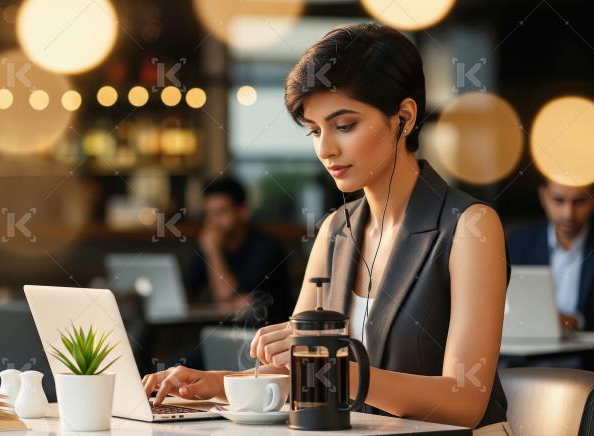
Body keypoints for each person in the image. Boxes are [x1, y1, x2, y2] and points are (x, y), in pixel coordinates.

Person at [143, 23, 512, 435]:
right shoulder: (336, 230)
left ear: (404, 118)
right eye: (315, 131)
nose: (325, 149)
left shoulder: (470, 226)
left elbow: (465, 401)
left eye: (345, 125)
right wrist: (214, 384)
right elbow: (297, 376)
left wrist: (338, 371)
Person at [183, 175, 294, 326]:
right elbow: (185, 292)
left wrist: (213, 251)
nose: (213, 223)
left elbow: (228, 296)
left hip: (264, 337)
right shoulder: (212, 244)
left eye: (221, 212)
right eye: (209, 214)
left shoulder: (266, 248)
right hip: (223, 334)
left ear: (243, 212)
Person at [507, 177, 594, 331]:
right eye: (559, 200)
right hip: (529, 346)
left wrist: (577, 321)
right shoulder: (518, 243)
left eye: (580, 201)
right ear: (543, 196)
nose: (568, 214)